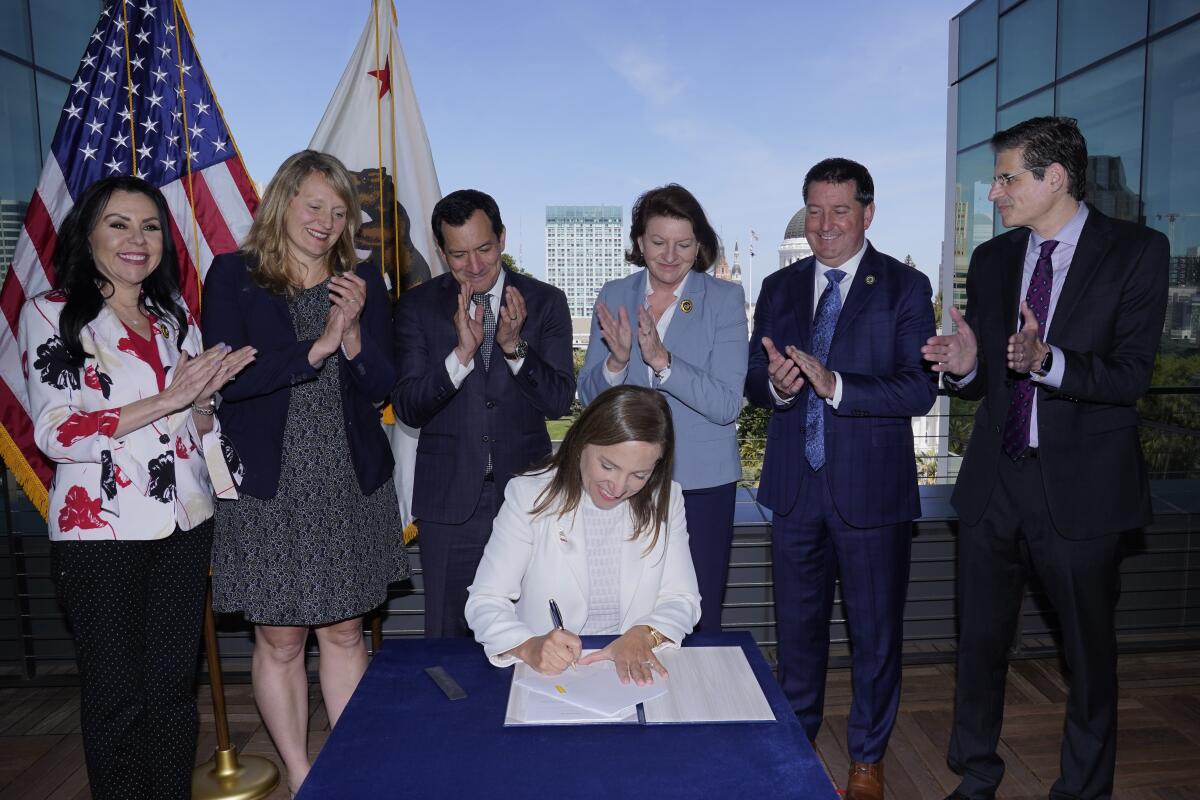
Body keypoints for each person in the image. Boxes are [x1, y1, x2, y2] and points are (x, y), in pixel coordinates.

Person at [922, 117, 1169, 800]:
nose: (995, 193)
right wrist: (967, 368)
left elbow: (1129, 376)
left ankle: (1083, 791)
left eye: (1007, 178)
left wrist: (1048, 359)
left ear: (1053, 178)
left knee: (1088, 659)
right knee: (979, 646)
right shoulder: (997, 259)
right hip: (995, 485)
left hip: (1082, 491)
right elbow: (989, 376)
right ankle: (975, 774)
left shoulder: (1138, 252)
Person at [19, 176, 253, 799]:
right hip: (99, 532)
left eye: (150, 226)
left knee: (174, 690)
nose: (137, 239)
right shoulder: (51, 313)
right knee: (118, 696)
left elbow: (194, 425)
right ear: (88, 233)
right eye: (118, 224)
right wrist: (170, 397)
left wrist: (203, 403)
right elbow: (57, 433)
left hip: (184, 523)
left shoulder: (173, 317)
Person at [202, 150, 410, 794]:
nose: (325, 221)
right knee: (282, 636)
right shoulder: (234, 275)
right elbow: (228, 380)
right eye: (313, 205)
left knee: (346, 628)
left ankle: (347, 770)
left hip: (348, 479)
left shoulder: (361, 282)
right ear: (283, 201)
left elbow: (384, 387)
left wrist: (350, 340)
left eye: (338, 211)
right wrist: (317, 346)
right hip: (268, 484)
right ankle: (300, 773)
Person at [746, 158, 937, 800]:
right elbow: (754, 375)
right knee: (797, 631)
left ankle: (866, 757)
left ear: (868, 213)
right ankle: (796, 737)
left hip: (872, 496)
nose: (824, 226)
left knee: (875, 635)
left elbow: (918, 390)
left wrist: (837, 385)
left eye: (840, 212)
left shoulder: (906, 287)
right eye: (814, 211)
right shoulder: (778, 288)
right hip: (795, 491)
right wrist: (775, 386)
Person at [392, 189, 575, 638]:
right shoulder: (416, 308)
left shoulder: (546, 302)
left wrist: (515, 349)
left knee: (532, 633)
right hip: (449, 503)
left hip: (529, 499)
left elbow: (558, 400)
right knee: (448, 640)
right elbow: (409, 408)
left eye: (484, 249)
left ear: (503, 238)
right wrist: (460, 355)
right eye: (458, 254)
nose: (474, 266)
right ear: (440, 251)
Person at [578, 184, 747, 632]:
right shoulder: (614, 293)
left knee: (698, 614)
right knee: (625, 610)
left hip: (703, 486)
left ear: (699, 246)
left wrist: (663, 362)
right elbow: (587, 397)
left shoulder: (725, 300)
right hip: (624, 484)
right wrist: (615, 362)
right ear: (639, 243)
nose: (670, 255)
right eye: (658, 242)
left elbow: (728, 404)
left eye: (683, 244)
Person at [466, 385, 700, 682]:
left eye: (639, 475)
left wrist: (645, 634)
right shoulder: (529, 495)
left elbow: (683, 599)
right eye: (608, 466)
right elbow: (485, 600)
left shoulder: (666, 500)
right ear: (580, 443)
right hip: (552, 675)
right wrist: (528, 645)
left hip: (634, 668)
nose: (617, 487)